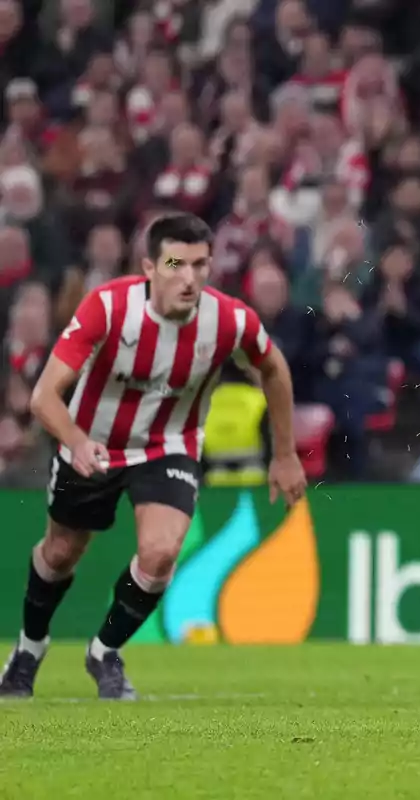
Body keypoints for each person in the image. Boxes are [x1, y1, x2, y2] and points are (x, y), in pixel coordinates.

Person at [0, 213, 308, 701]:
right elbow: (43, 397)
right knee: (59, 553)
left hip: (170, 445)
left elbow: (273, 367)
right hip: (94, 444)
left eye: (200, 265)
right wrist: (77, 442)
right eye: (175, 264)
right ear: (149, 267)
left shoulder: (228, 320)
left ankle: (104, 652)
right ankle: (29, 648)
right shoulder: (107, 308)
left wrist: (285, 454)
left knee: (162, 553)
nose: (189, 278)